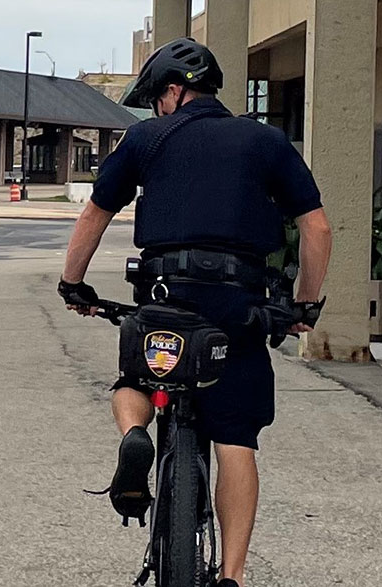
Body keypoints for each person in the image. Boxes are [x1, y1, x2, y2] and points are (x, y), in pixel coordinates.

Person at [57, 38, 333, 587]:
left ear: (176, 91)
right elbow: (317, 228)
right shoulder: (266, 141)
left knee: (134, 374)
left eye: (159, 97)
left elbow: (95, 213)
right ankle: (231, 577)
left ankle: (135, 434)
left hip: (165, 296)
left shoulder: (144, 139)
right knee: (235, 438)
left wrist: (74, 284)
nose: (158, 107)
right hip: (238, 305)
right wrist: (304, 304)